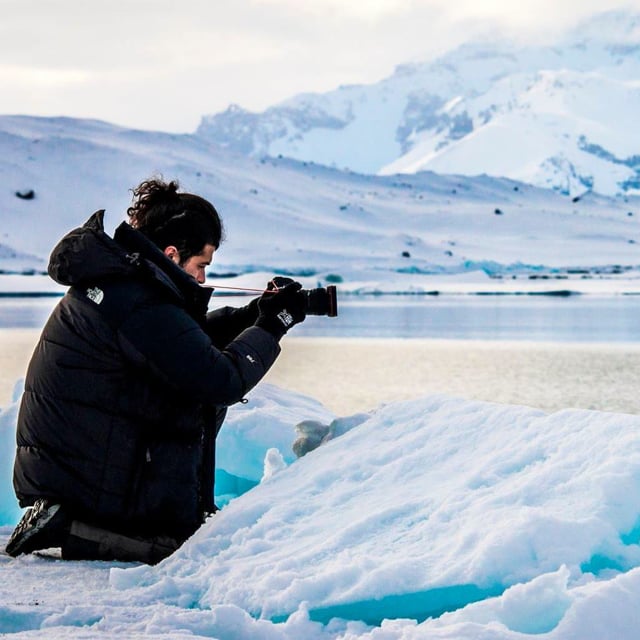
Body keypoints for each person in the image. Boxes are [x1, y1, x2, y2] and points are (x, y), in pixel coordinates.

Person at [6, 178, 306, 564]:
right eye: (201, 265)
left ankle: (71, 517)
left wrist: (255, 315)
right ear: (171, 252)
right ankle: (68, 526)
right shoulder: (136, 298)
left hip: (69, 474)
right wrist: (272, 326)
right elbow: (219, 380)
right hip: (82, 484)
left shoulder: (123, 284)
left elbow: (180, 344)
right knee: (182, 552)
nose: (201, 278)